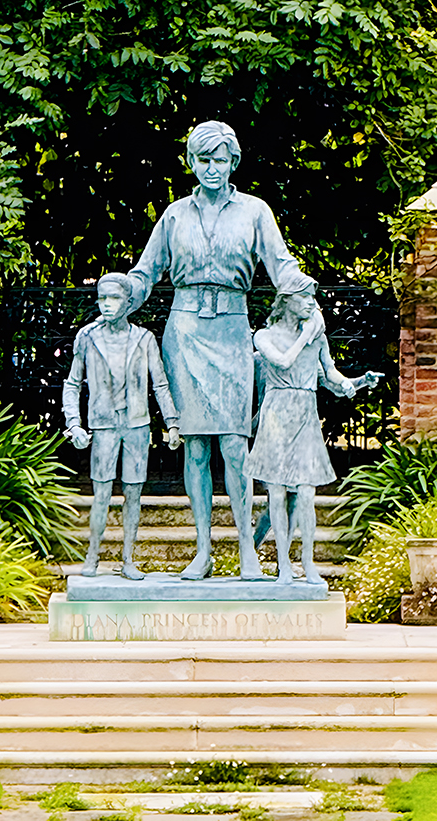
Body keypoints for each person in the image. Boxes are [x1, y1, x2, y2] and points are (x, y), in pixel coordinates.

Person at [126, 121, 314, 580]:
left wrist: (304, 293)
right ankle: (203, 550)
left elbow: (280, 263)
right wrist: (118, 298)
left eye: (221, 159)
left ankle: (248, 551)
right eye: (204, 159)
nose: (213, 169)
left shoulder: (254, 212)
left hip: (232, 329)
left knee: (234, 444)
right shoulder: (174, 216)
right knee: (195, 448)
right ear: (191, 163)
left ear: (234, 162)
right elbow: (145, 273)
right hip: (185, 331)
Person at [246, 280, 381, 584]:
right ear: (286, 301)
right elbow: (281, 362)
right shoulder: (264, 336)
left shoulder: (317, 339)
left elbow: (329, 374)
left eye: (312, 298)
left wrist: (353, 382)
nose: (311, 303)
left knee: (306, 494)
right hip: (277, 413)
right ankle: (283, 565)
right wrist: (306, 335)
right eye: (304, 297)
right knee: (277, 493)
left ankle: (307, 562)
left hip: (305, 413)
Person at [62, 272, 180, 579]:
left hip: (137, 425)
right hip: (103, 425)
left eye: (114, 298)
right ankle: (93, 555)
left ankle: (128, 558)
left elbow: (161, 384)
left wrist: (173, 423)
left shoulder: (144, 339)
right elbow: (72, 384)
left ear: (129, 303)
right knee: (101, 494)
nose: (106, 305)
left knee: (133, 493)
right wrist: (74, 424)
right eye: (102, 298)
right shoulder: (87, 337)